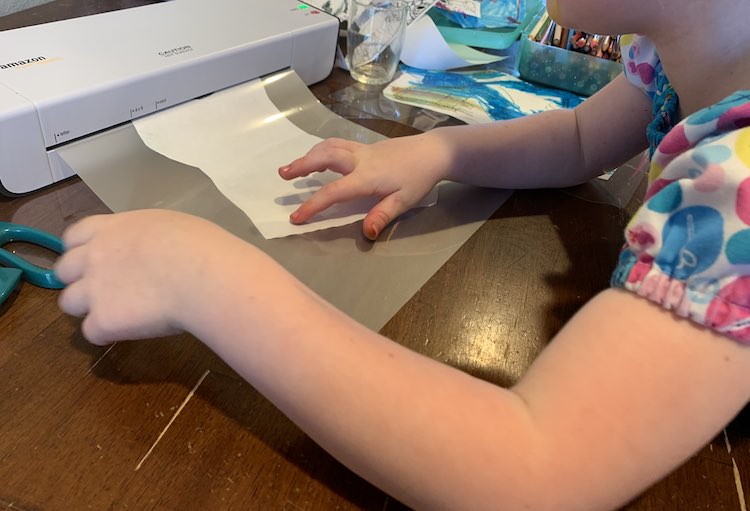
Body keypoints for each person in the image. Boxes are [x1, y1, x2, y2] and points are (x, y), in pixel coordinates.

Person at [54, 0, 750, 508]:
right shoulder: (682, 54)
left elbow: (533, 473)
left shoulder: (739, 179)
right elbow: (578, 142)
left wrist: (204, 278)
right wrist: (437, 150)